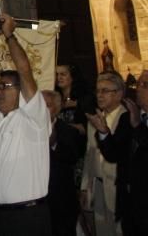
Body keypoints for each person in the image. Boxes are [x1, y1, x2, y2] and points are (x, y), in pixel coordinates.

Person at [0, 14, 51, 235]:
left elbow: (25, 71)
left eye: (6, 86)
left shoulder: (33, 118)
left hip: (29, 216)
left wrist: (9, 36)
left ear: (21, 92)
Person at [92, 69, 148, 236]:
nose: (138, 89)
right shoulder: (128, 117)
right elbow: (113, 155)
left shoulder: (134, 118)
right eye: (138, 84)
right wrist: (103, 132)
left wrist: (138, 125)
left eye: (144, 85)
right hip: (130, 200)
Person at [80, 72, 127, 236]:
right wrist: (85, 186)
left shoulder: (126, 119)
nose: (99, 95)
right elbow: (89, 154)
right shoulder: (95, 119)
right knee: (102, 231)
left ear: (119, 93)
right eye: (98, 91)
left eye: (105, 91)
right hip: (97, 186)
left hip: (118, 189)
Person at [44, 90, 84, 236]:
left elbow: (72, 157)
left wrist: (54, 144)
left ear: (57, 108)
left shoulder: (67, 131)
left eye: (46, 106)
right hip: (37, 204)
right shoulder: (27, 131)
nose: (41, 110)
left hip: (61, 200)